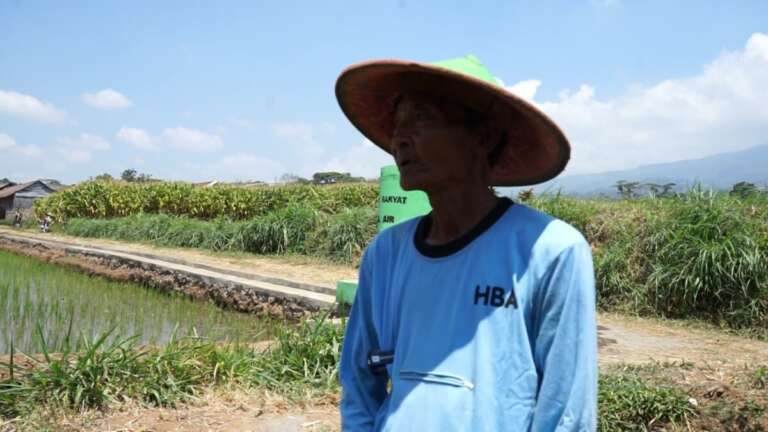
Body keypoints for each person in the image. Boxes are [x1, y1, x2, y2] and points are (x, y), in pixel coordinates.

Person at [336, 57, 598, 431]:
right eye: (398, 124)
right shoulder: (386, 255)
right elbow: (360, 384)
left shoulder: (551, 251)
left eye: (422, 118)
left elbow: (566, 412)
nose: (400, 139)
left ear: (483, 137)